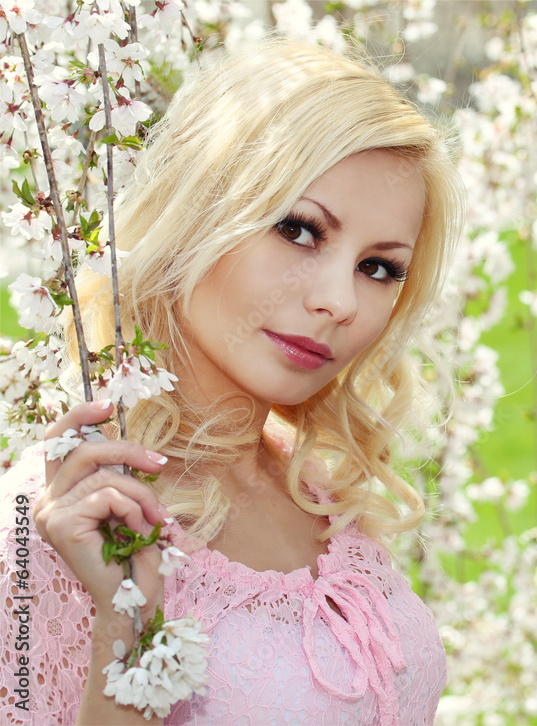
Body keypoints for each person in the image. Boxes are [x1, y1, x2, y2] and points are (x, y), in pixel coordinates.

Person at [0, 36, 464, 725]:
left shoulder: (320, 492)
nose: (340, 300)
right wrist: (126, 628)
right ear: (199, 214)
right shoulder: (55, 521)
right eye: (300, 230)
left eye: (379, 268)